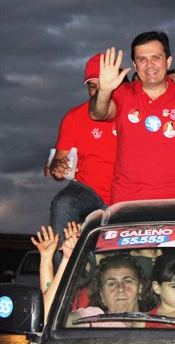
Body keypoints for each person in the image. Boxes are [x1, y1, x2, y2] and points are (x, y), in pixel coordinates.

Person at [89, 32, 175, 203]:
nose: (149, 65)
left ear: (168, 61)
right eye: (142, 59)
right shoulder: (123, 93)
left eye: (156, 58)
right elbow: (98, 113)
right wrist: (104, 91)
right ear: (135, 65)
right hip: (127, 200)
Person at [46, 53, 118, 259]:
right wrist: (57, 168)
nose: (98, 91)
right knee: (63, 204)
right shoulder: (74, 117)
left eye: (104, 85)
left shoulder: (131, 111)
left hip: (125, 191)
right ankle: (62, 274)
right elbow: (59, 165)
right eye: (93, 86)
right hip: (88, 189)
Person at [68, 253, 146, 328]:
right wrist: (66, 260)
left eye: (127, 281)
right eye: (112, 284)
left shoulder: (152, 320)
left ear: (140, 288)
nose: (120, 288)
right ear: (102, 294)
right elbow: (68, 322)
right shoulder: (94, 320)